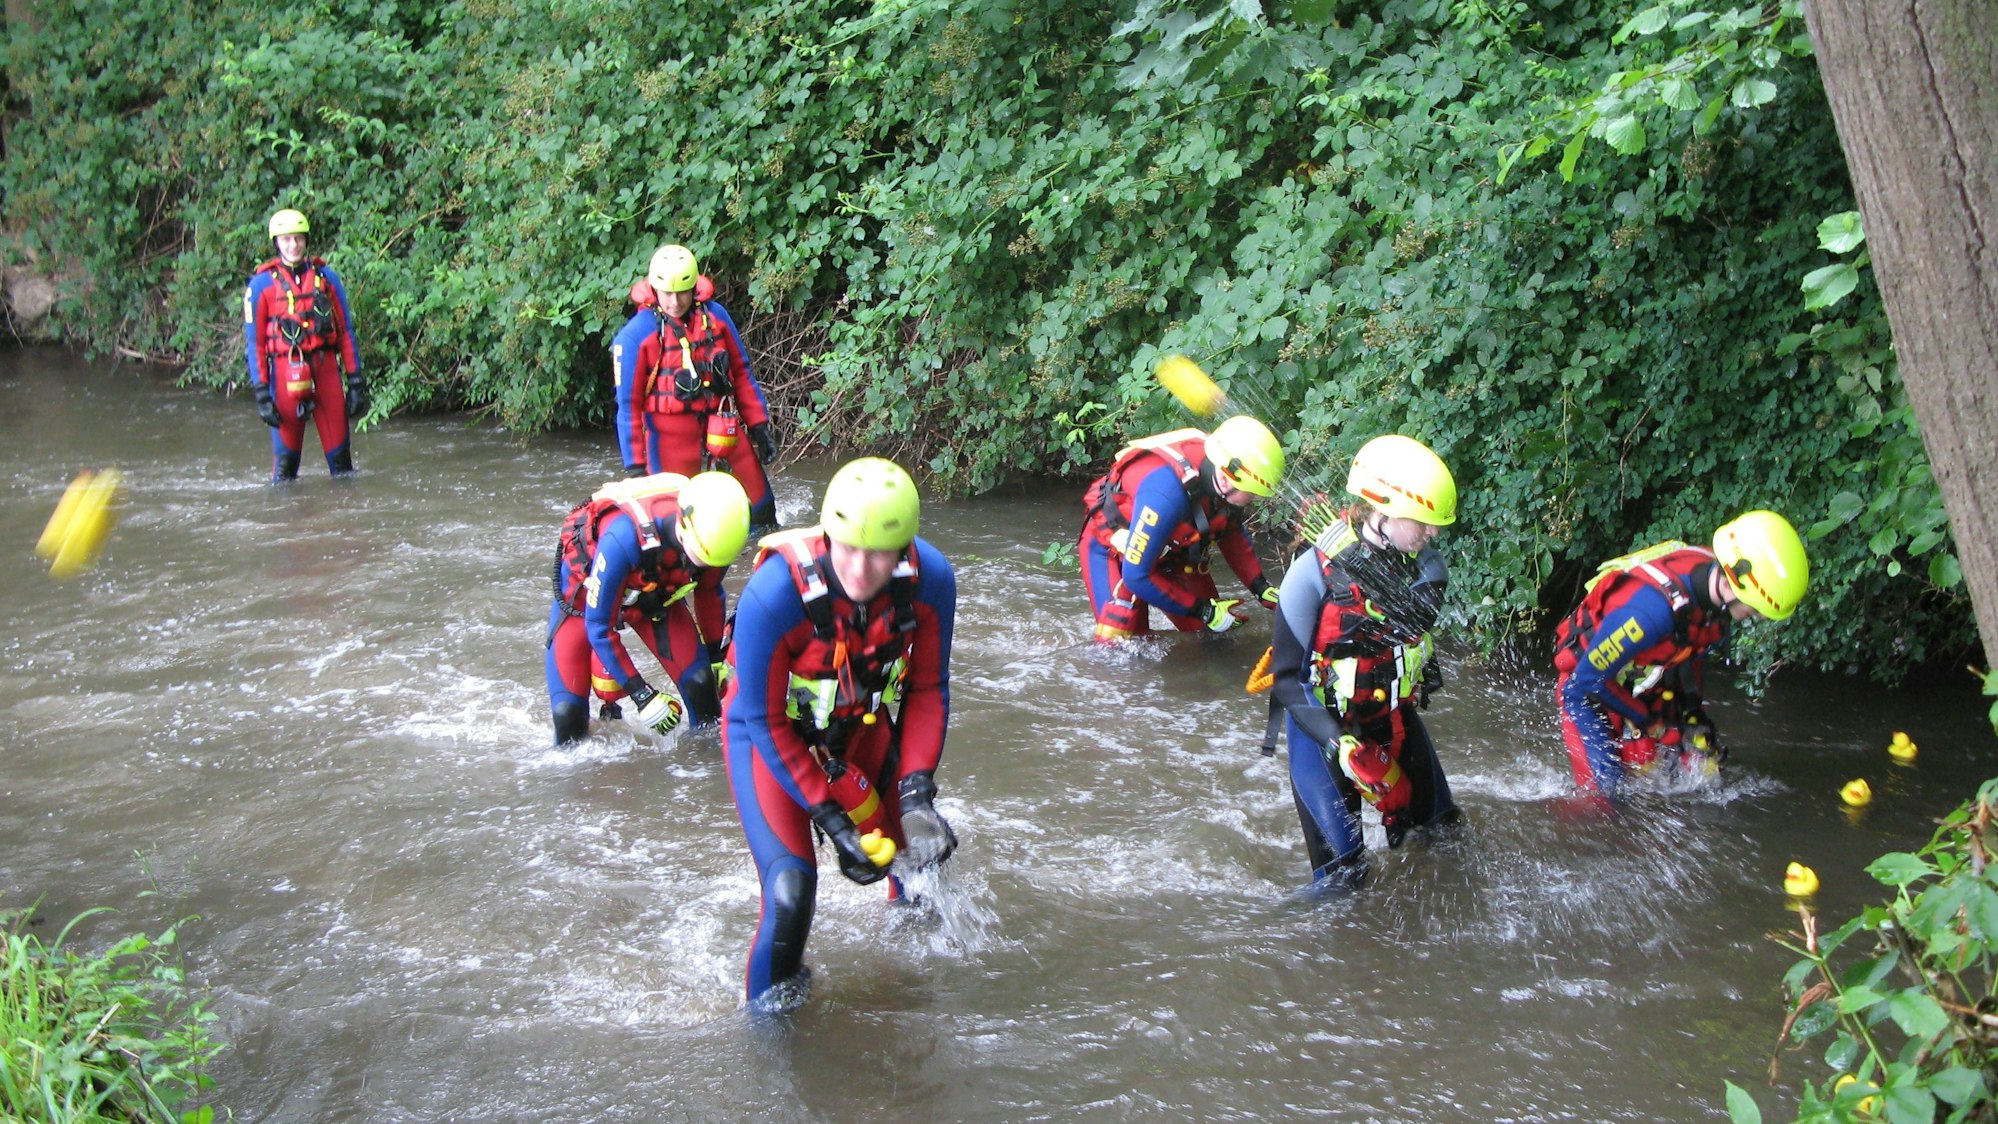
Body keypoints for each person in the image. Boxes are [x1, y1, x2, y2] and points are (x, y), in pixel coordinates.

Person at [723, 457, 958, 1010]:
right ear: (827, 536)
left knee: (920, 854)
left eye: (879, 553)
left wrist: (916, 791)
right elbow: (766, 721)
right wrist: (833, 821)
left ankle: (912, 987)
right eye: (848, 547)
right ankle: (769, 1033)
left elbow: (927, 691)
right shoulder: (773, 594)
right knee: (790, 893)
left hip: (861, 724)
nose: (860, 568)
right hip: (771, 740)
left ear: (903, 550)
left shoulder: (933, 583)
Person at [1267, 435, 1459, 888]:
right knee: (1343, 881)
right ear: (1384, 508)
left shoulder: (1426, 568)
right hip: (1323, 729)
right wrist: (1338, 742)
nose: (1433, 534)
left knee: (1446, 837)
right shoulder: (1311, 573)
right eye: (1425, 522)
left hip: (1389, 716)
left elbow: (1408, 630)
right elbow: (1287, 681)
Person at [1554, 510, 1810, 799]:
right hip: (1585, 688)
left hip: (1636, 674)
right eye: (1755, 609)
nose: (1757, 617)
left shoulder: (1711, 588)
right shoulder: (1650, 613)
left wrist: (1692, 712)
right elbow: (1589, 677)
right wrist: (1655, 726)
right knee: (1606, 796)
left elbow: (1692, 651)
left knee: (1674, 766)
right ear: (1730, 583)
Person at [545, 471, 751, 745]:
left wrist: (715, 658)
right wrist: (643, 695)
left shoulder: (719, 539)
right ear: (683, 526)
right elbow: (598, 626)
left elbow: (709, 591)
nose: (701, 566)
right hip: (585, 599)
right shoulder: (623, 538)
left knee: (703, 688)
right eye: (698, 557)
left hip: (654, 595)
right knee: (568, 722)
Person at [612, 244, 779, 527]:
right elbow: (628, 407)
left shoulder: (716, 317)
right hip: (669, 433)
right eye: (667, 294)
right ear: (654, 290)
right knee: (676, 523)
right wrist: (636, 468)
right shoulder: (634, 336)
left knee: (761, 508)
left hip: (720, 423)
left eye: (682, 293)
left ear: (694, 288)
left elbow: (740, 372)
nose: (675, 302)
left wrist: (759, 427)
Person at [1079, 415, 1286, 641]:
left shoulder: (1222, 474)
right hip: (1119, 554)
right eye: (1254, 494)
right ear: (1227, 480)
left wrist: (1260, 588)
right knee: (1123, 646)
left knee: (1214, 637)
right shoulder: (1166, 495)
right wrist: (1202, 610)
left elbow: (1228, 528)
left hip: (1172, 553)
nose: (1256, 499)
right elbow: (1136, 576)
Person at [242, 209, 369, 482]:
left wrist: (356, 380)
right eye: (287, 239)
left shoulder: (327, 279)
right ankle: (286, 522)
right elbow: (256, 346)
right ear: (277, 243)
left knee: (343, 467)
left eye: (298, 239)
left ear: (305, 240)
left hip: (326, 373)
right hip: (285, 375)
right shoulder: (261, 285)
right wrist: (262, 395)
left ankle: (348, 520)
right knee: (285, 473)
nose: (293, 245)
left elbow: (346, 332)